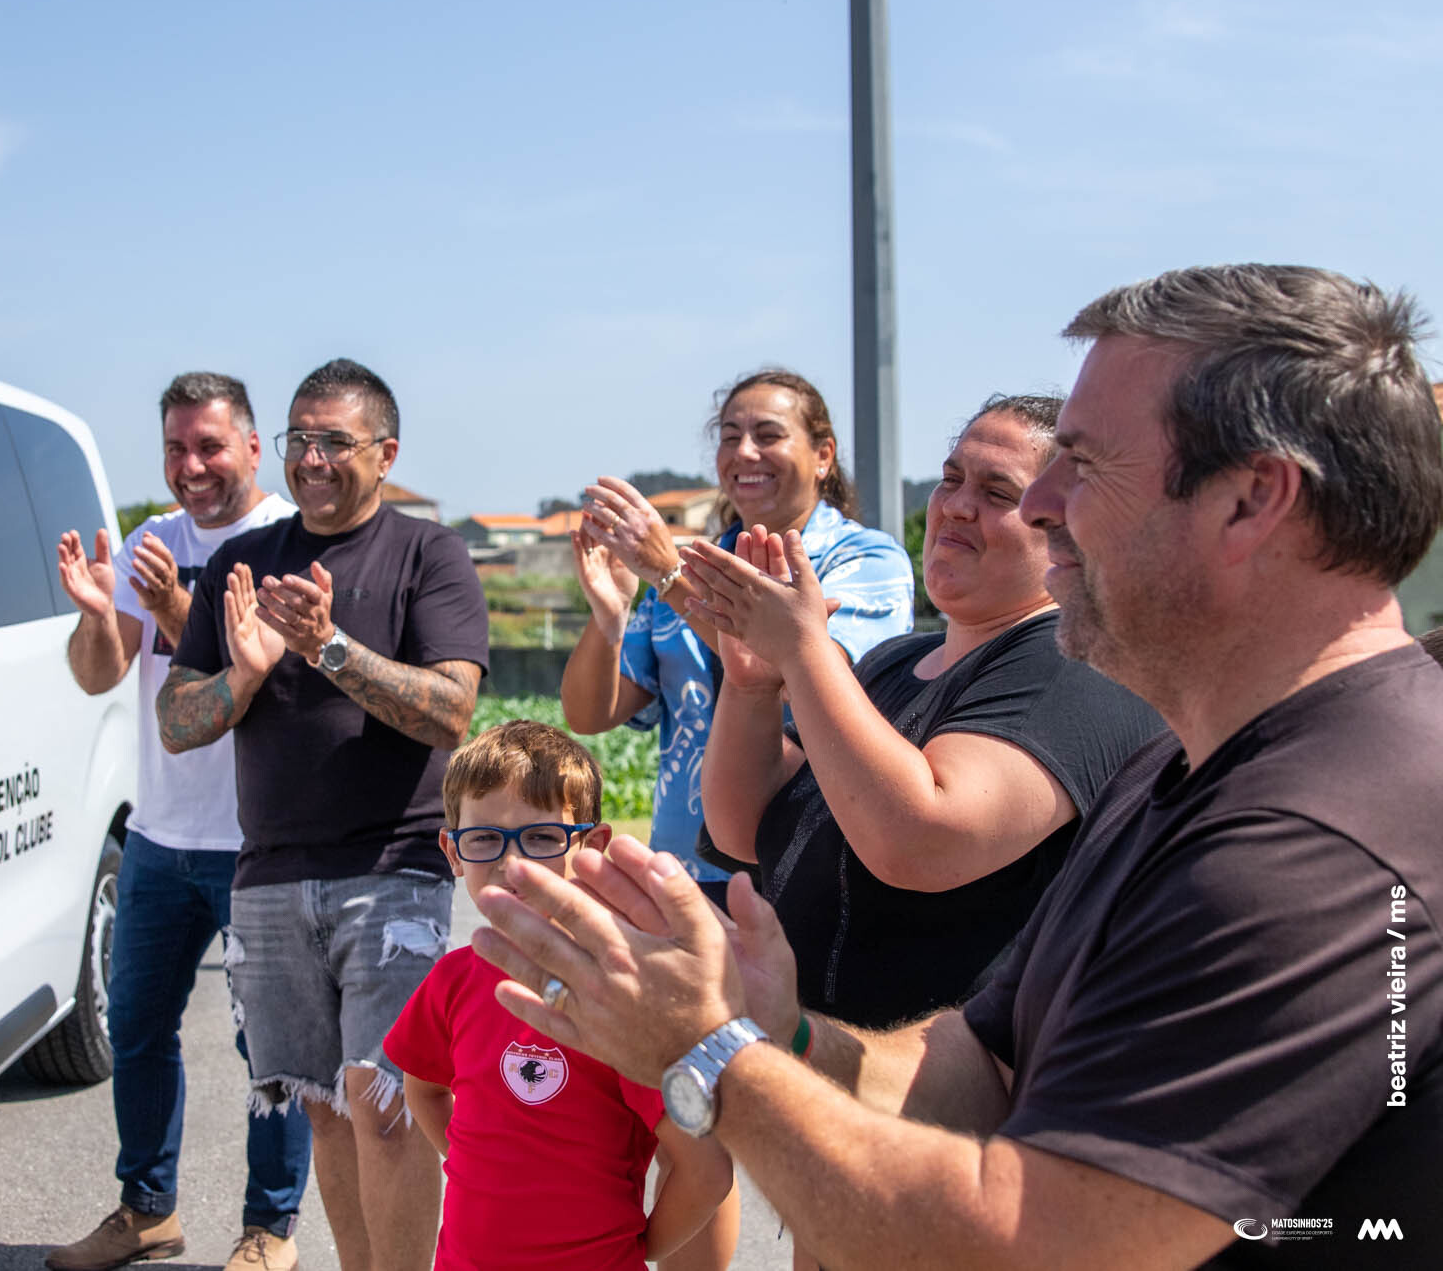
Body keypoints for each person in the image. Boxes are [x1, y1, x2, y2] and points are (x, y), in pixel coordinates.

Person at [471, 264, 1443, 1268]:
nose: (1046, 503)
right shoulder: (1188, 768)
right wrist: (769, 1027)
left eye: (1080, 464)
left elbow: (1024, 1242)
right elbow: (984, 1066)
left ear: (1250, 500)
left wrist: (708, 1056)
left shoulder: (1321, 831)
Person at [686, 394, 1163, 1030]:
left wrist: (803, 652)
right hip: (813, 1067)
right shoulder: (890, 662)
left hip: (943, 1093)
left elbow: (922, 841)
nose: (957, 505)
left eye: (999, 491)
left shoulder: (1079, 670)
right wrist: (750, 687)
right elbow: (742, 828)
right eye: (951, 479)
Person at [158, 358, 490, 1271]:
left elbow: (450, 712)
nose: (309, 457)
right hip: (266, 879)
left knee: (387, 1107)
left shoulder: (431, 556)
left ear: (384, 454)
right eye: (299, 437)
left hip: (393, 873)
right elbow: (177, 721)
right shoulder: (238, 563)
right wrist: (250, 669)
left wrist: (329, 647)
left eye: (333, 441)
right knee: (326, 1109)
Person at [46, 373, 312, 1271]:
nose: (189, 466)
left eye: (207, 446)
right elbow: (98, 673)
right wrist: (96, 615)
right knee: (138, 1029)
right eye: (174, 448)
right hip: (161, 835)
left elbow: (264, 686)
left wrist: (168, 608)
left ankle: (270, 1228)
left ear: (249, 445)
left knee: (271, 1048)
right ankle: (146, 1209)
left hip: (257, 843)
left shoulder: (286, 541)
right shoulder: (152, 539)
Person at [384, 721, 734, 1270]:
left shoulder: (623, 995)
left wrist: (641, 1251)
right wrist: (474, 1165)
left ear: (592, 847)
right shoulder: (452, 980)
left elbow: (706, 1165)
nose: (511, 863)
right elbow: (423, 1089)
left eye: (542, 837)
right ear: (452, 853)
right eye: (484, 839)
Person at [561, 369, 913, 902]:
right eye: (730, 437)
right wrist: (608, 618)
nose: (745, 452)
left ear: (824, 457)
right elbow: (590, 716)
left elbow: (805, 677)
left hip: (808, 865)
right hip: (684, 875)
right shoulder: (685, 568)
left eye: (768, 435)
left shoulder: (865, 560)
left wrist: (669, 575)